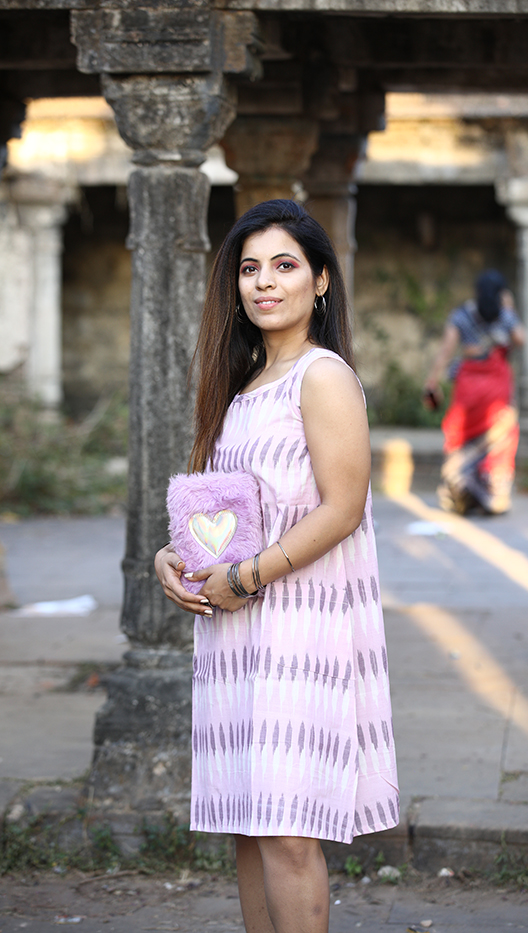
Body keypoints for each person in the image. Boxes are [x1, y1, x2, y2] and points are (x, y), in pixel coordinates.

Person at [154, 199, 399, 933]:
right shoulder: (238, 389)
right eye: (250, 268)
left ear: (320, 280)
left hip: (300, 628)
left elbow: (343, 507)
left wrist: (247, 577)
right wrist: (173, 557)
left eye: (284, 265)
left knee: (289, 831)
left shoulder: (322, 377)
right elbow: (217, 510)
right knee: (250, 822)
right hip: (234, 634)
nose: (264, 282)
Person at [423, 269, 526, 515]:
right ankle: (494, 494)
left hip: (468, 387)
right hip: (497, 388)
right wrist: (509, 309)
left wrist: (432, 381)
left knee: (462, 434)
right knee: (500, 435)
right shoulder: (505, 316)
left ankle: (459, 486)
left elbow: (446, 351)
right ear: (502, 294)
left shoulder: (461, 315)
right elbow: (521, 339)